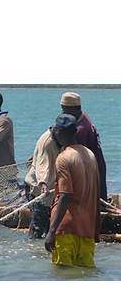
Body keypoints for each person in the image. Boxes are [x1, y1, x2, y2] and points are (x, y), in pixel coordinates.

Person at [44, 114, 101, 268]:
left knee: (63, 274)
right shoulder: (90, 155)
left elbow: (65, 195)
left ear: (58, 133)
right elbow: (96, 194)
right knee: (85, 275)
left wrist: (51, 231)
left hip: (65, 229)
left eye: (55, 132)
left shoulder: (63, 158)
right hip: (87, 230)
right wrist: (96, 229)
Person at [60, 92, 108, 201]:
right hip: (96, 165)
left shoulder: (80, 129)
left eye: (64, 109)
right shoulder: (82, 117)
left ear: (73, 109)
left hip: (91, 169)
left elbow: (73, 156)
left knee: (90, 201)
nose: (62, 113)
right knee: (97, 199)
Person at [24, 127, 60, 238]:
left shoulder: (58, 139)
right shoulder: (48, 142)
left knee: (46, 225)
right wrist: (43, 183)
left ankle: (41, 251)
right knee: (37, 227)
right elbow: (42, 167)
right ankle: (34, 249)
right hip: (38, 189)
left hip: (49, 189)